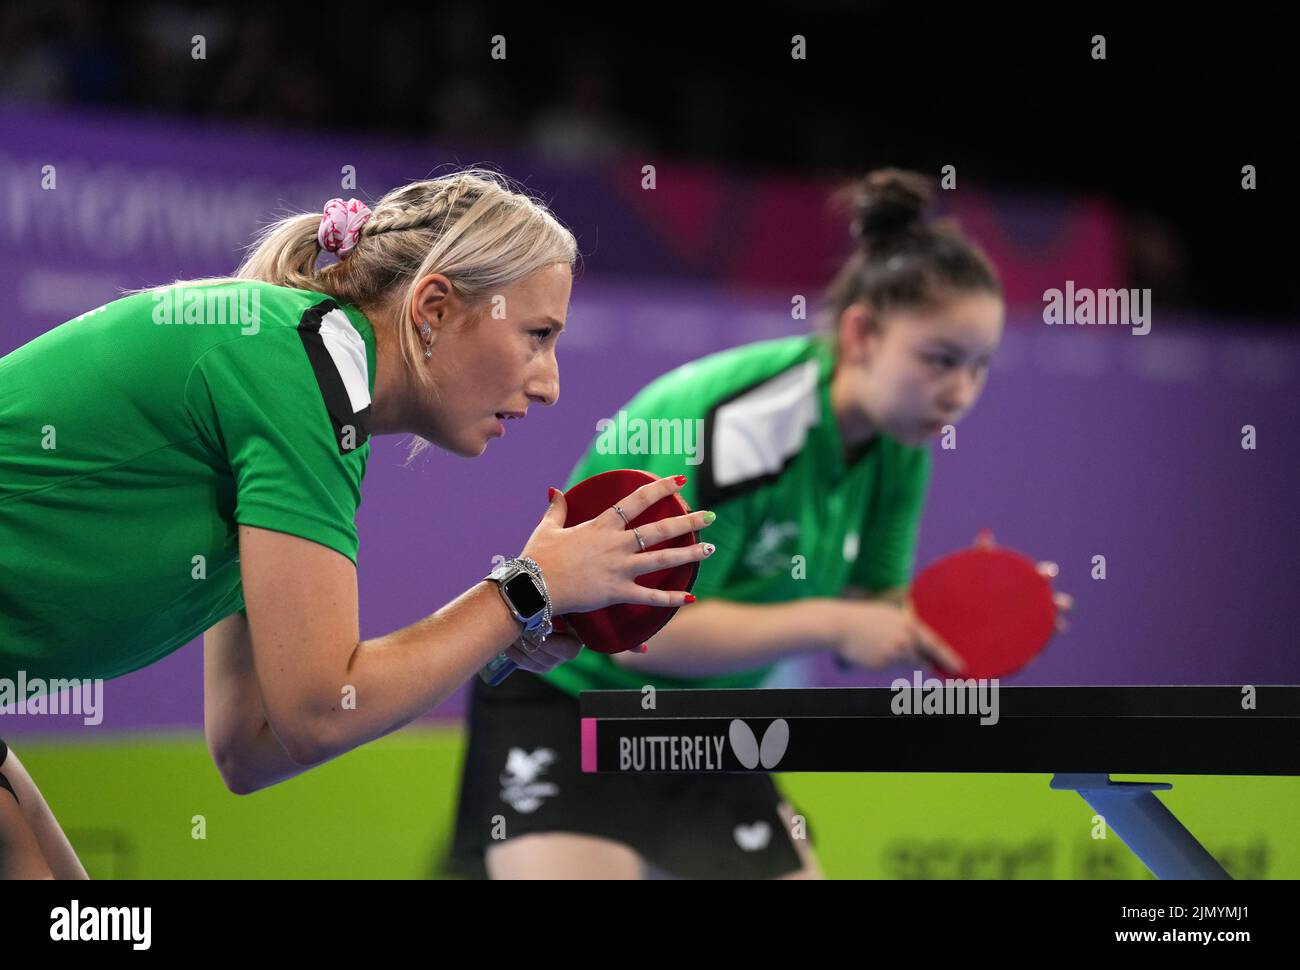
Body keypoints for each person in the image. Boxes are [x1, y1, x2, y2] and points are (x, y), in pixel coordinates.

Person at [0, 169, 715, 878]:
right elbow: (318, 714)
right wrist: (524, 592)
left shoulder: (305, 376)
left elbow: (252, 745)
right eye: (536, 334)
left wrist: (496, 631)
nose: (550, 383)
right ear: (433, 307)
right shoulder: (294, 371)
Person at [451, 168, 1073, 880]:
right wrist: (830, 624)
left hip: (712, 723)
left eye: (979, 367)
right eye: (940, 361)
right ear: (863, 333)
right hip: (572, 704)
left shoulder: (899, 443)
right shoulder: (740, 427)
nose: (960, 393)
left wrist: (974, 616)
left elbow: (876, 608)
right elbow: (642, 640)